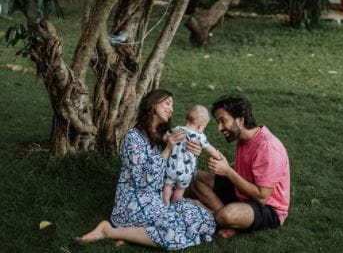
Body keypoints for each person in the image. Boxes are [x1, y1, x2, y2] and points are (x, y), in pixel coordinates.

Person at [79, 89, 216, 249]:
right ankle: (107, 231)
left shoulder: (165, 136)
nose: (171, 108)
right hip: (135, 200)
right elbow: (143, 182)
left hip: (161, 198)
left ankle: (132, 234)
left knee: (204, 219)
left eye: (172, 105)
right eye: (167, 102)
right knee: (172, 231)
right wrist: (167, 150)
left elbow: (184, 175)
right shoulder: (133, 138)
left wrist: (192, 156)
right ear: (152, 104)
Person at [191, 95, 290, 239]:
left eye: (223, 121)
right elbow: (247, 168)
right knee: (193, 176)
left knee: (228, 214)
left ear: (240, 120)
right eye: (218, 122)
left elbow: (262, 197)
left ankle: (210, 213)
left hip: (268, 207)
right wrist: (226, 165)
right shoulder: (244, 139)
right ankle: (222, 219)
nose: (219, 128)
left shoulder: (268, 148)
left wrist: (228, 172)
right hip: (242, 193)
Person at [163, 104, 220, 204]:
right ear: (200, 126)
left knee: (167, 186)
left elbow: (164, 138)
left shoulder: (177, 130)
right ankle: (174, 205)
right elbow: (209, 148)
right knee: (180, 189)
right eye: (204, 127)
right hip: (186, 172)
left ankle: (165, 203)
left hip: (171, 168)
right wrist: (217, 156)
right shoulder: (199, 136)